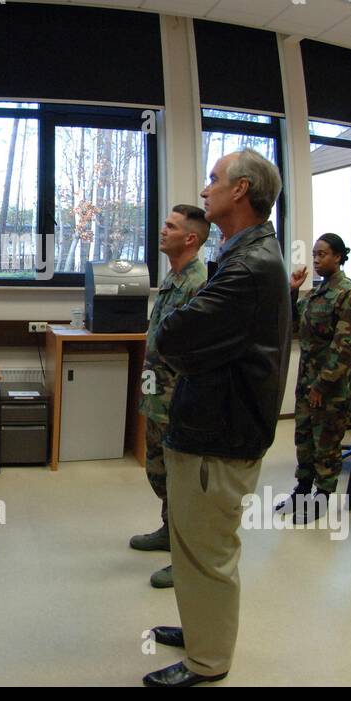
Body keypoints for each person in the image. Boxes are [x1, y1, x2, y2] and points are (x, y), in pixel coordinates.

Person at [144, 149, 292, 687]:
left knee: (208, 554)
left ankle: (209, 662)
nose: (205, 190)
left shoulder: (250, 266)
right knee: (191, 544)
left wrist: (186, 345)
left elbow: (173, 336)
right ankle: (199, 629)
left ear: (241, 189)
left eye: (213, 180)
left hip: (219, 437)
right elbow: (189, 340)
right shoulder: (241, 254)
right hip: (209, 425)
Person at [130, 205, 211, 589]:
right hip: (157, 396)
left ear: (190, 238)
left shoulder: (200, 284)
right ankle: (168, 531)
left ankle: (187, 560)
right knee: (159, 472)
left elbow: (199, 352)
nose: (163, 231)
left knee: (183, 483)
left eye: (171, 226)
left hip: (179, 400)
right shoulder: (173, 277)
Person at [282, 234, 351, 521]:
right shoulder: (317, 292)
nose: (317, 260)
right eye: (315, 254)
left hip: (332, 386)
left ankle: (322, 497)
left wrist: (322, 384)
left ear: (339, 257)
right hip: (308, 380)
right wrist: (293, 291)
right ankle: (303, 490)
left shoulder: (347, 293)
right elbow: (294, 326)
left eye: (324, 254)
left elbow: (345, 347)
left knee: (326, 442)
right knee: (304, 437)